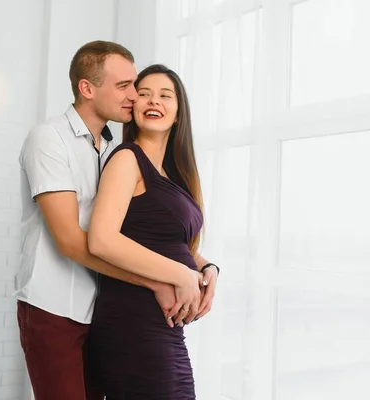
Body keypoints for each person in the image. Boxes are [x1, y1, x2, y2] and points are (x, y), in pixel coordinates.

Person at [15, 42, 184, 400]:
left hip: (102, 313)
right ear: (87, 89)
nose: (134, 95)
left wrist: (206, 268)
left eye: (133, 85)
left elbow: (143, 233)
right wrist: (155, 281)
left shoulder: (113, 149)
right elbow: (71, 241)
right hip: (53, 309)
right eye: (123, 86)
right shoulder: (48, 139)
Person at [87, 64, 220, 399]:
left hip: (163, 326)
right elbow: (101, 239)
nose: (152, 101)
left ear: (178, 114)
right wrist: (181, 274)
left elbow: (168, 240)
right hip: (132, 322)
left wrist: (206, 268)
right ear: (132, 109)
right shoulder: (127, 159)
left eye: (164, 95)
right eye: (143, 94)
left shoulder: (172, 174)